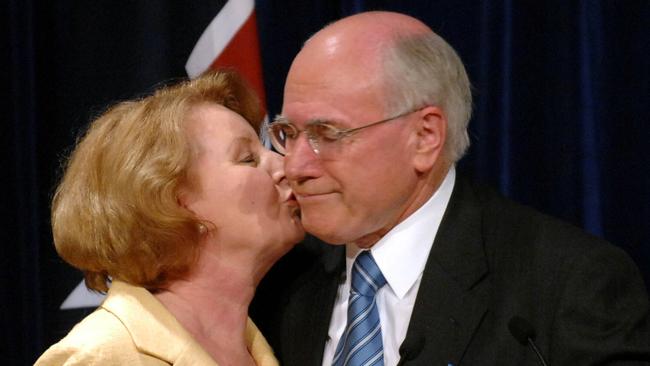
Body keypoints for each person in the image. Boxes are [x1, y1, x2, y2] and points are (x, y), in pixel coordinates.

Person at [258, 11, 650, 365]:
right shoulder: (281, 282)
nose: (295, 166)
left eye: (326, 133)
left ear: (425, 136)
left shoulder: (566, 286)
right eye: (287, 133)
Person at [35, 70, 304, 365]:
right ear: (174, 201)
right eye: (248, 158)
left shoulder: (274, 347)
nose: (285, 166)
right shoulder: (102, 356)